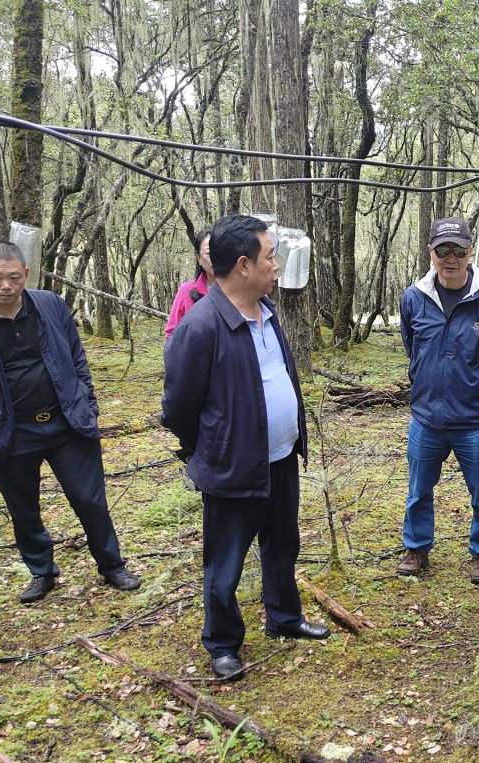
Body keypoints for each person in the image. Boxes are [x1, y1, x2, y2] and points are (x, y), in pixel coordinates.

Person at [161, 214, 329, 681]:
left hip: (280, 459)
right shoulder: (201, 326)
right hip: (232, 467)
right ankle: (222, 643)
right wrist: (212, 448)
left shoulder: (267, 312)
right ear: (242, 265)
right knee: (226, 561)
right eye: (270, 257)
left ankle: (284, 616)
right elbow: (178, 408)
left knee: (283, 545)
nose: (276, 265)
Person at [0, 240, 141, 604]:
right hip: (9, 431)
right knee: (23, 508)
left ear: (26, 274)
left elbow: (77, 356)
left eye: (14, 277)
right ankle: (42, 571)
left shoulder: (49, 304)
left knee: (89, 499)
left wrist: (87, 404)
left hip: (67, 423)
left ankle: (112, 565)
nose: (6, 286)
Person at [396, 217, 479, 584]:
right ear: (430, 251)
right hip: (426, 417)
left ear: (469, 252)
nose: (450, 257)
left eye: (458, 250)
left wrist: (472, 382)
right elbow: (412, 347)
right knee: (418, 490)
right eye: (442, 249)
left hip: (473, 418)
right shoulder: (414, 298)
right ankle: (416, 547)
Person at [164, 228, 213, 339]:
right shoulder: (186, 290)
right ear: (199, 258)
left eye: (219, 252)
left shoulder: (236, 289)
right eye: (209, 253)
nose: (215, 258)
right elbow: (171, 333)